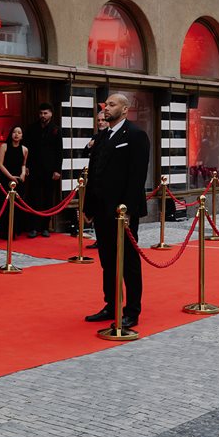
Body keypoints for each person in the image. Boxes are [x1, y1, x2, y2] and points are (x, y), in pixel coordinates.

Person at [83, 93, 150, 329]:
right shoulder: (103, 136)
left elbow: (136, 176)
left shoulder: (135, 135)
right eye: (105, 105)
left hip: (122, 212)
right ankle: (111, 304)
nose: (106, 108)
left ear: (124, 109)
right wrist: (88, 207)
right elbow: (94, 171)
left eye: (112, 105)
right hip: (101, 210)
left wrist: (129, 210)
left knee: (128, 262)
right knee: (107, 261)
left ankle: (132, 310)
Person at [24, 102, 63, 238]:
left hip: (50, 169)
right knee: (33, 198)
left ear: (51, 114)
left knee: (48, 198)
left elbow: (59, 152)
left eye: (45, 113)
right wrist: (25, 166)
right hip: (34, 168)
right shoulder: (31, 128)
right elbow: (26, 149)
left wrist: (57, 170)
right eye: (41, 113)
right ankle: (33, 227)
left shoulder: (56, 129)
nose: (43, 116)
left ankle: (46, 227)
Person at [0, 125, 28, 238]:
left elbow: (23, 164)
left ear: (22, 136)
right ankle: (2, 231)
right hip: (5, 179)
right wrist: (10, 176)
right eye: (14, 132)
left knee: (16, 206)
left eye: (19, 132)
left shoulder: (24, 149)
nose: (16, 134)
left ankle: (15, 231)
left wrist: (23, 174)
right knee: (3, 205)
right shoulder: (4, 146)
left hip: (18, 180)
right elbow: (0, 164)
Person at [83, 109, 109, 249]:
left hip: (106, 182)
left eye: (103, 120)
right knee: (96, 213)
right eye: (98, 120)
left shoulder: (110, 137)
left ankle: (106, 240)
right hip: (94, 181)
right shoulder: (96, 137)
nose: (100, 123)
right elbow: (84, 152)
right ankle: (99, 239)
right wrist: (89, 145)